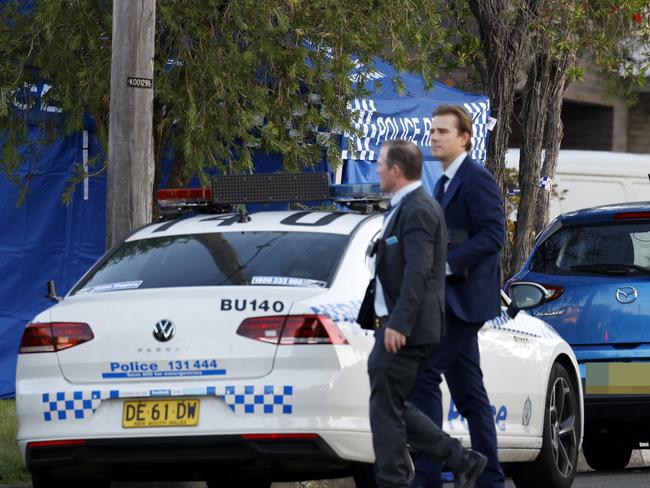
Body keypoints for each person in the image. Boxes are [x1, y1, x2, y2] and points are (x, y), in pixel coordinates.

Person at [358, 139, 487, 488]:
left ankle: (395, 481)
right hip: (395, 325)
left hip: (406, 328)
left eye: (381, 164)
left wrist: (399, 323)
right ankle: (461, 459)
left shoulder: (418, 209)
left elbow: (419, 272)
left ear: (396, 171)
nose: (377, 170)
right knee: (392, 405)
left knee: (385, 410)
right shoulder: (403, 207)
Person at [408, 105, 506, 488]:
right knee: (471, 396)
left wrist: (446, 264)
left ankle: (429, 475)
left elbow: (494, 234)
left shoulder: (476, 179)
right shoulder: (443, 182)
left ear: (464, 137)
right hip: (448, 302)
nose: (434, 137)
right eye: (432, 131)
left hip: (466, 303)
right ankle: (491, 478)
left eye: (443, 132)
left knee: (424, 376)